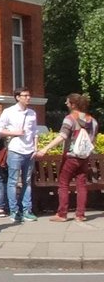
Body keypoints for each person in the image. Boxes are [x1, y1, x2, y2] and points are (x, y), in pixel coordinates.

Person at [41, 93, 98, 222]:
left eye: (67, 102)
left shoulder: (70, 118)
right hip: (84, 157)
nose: (66, 104)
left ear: (73, 104)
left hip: (71, 157)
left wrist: (45, 148)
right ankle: (80, 215)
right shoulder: (93, 121)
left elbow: (62, 136)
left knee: (63, 184)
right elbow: (92, 141)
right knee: (81, 184)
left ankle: (62, 214)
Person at [0, 88, 38, 222]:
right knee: (13, 181)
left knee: (27, 181)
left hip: (29, 151)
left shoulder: (32, 113)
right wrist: (14, 133)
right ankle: (14, 211)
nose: (28, 98)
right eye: (25, 95)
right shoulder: (9, 112)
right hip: (15, 150)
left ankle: (27, 210)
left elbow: (35, 132)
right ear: (17, 97)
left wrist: (36, 148)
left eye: (29, 95)